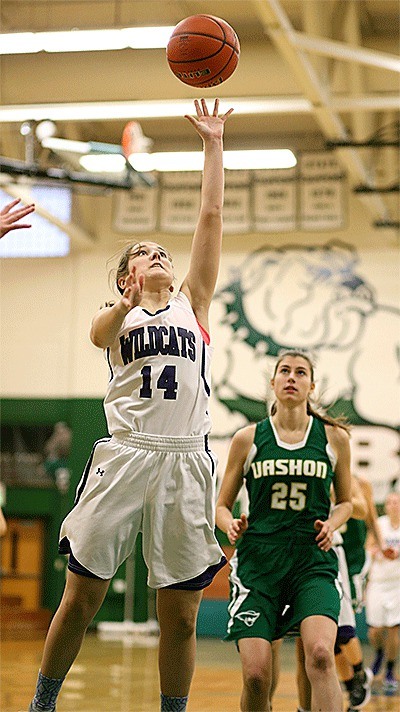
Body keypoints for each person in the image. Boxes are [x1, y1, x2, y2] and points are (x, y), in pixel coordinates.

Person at [25, 98, 233, 712]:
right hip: (125, 457)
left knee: (181, 612)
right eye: (145, 252)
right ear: (126, 278)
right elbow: (96, 333)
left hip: (185, 459)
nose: (160, 254)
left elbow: (212, 215)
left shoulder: (193, 302)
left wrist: (213, 144)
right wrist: (127, 301)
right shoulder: (117, 315)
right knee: (81, 598)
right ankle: (43, 702)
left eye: (161, 251)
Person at [216, 350, 353, 712]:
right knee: (257, 676)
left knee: (322, 655)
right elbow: (220, 506)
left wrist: (333, 523)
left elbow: (346, 502)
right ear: (273, 382)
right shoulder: (248, 439)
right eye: (285, 371)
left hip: (312, 561)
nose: (292, 378)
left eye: (301, 372)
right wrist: (230, 524)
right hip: (259, 564)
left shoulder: (333, 438)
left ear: (311, 385)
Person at [365, 490, 400, 692]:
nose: (392, 505)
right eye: (389, 502)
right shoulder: (380, 525)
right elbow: (369, 545)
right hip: (378, 581)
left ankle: (389, 670)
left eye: (396, 502)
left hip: (397, 583)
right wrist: (379, 551)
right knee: (375, 629)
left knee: (394, 627)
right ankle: (379, 652)